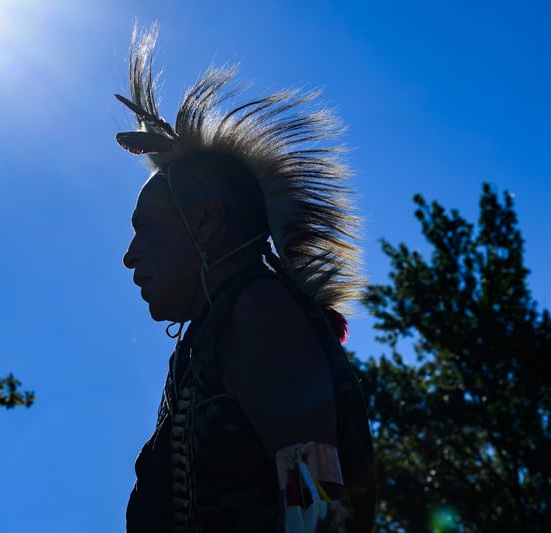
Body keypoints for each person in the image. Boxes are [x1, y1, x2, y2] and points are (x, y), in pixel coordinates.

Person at [116, 25, 376, 533]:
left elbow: (318, 501)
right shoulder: (224, 327)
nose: (130, 256)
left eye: (145, 230)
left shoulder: (260, 312)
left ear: (205, 223)